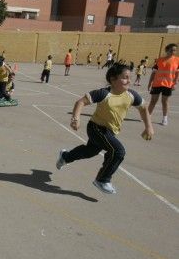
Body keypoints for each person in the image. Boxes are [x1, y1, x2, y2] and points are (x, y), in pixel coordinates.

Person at [56, 64, 154, 194]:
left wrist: (149, 127)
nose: (129, 81)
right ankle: (102, 179)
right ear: (113, 79)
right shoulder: (104, 93)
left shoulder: (131, 95)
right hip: (96, 128)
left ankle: (65, 156)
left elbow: (143, 108)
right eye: (125, 78)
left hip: (110, 132)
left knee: (90, 151)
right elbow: (81, 102)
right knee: (118, 151)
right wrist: (76, 118)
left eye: (130, 77)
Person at [147, 43, 178, 126]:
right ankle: (148, 116)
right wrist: (150, 83)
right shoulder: (159, 60)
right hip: (157, 83)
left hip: (168, 84)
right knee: (153, 101)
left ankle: (165, 118)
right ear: (166, 50)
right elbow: (153, 73)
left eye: (175, 50)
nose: (173, 52)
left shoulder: (177, 60)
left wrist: (174, 84)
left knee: (165, 101)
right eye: (171, 50)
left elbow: (177, 74)